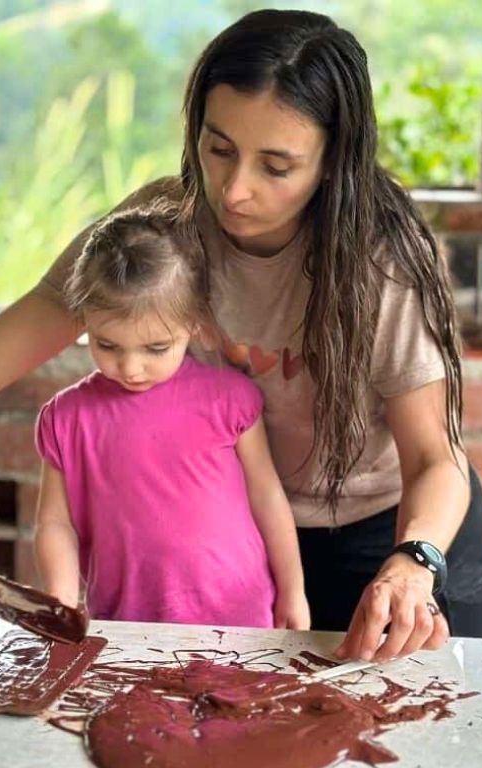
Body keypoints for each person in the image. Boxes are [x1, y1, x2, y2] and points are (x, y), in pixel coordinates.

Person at [0, 8, 482, 662]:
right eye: (219, 149)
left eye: (276, 166)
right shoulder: (162, 229)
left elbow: (437, 460)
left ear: (333, 162)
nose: (234, 191)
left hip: (394, 543)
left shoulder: (385, 259)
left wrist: (414, 562)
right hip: (242, 552)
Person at [32, 200, 310, 628]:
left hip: (241, 616)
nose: (131, 367)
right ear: (85, 319)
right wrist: (62, 598)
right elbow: (55, 523)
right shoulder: (67, 419)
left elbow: (266, 497)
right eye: (107, 345)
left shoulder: (230, 399)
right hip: (128, 621)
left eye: (156, 348)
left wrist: (293, 591)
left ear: (195, 322)